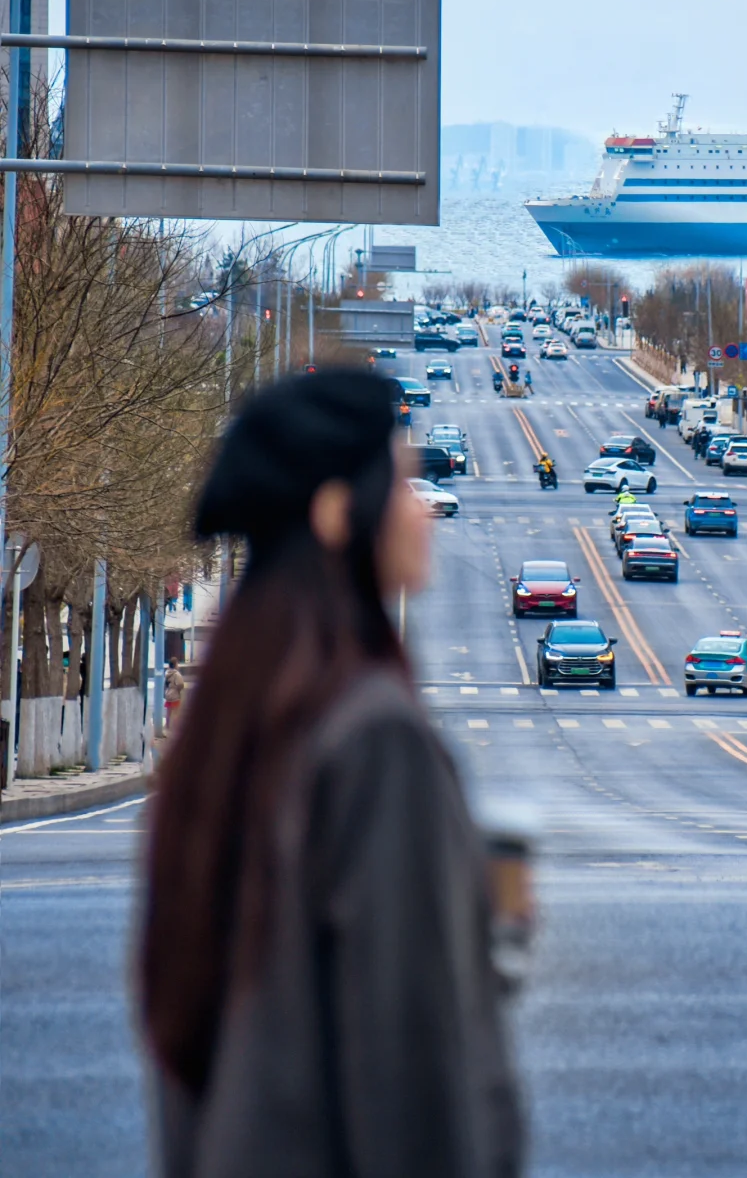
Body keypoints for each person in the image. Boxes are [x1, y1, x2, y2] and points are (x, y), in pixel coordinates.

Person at [140, 371, 523, 1178]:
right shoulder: (376, 738)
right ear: (335, 511)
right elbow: (411, 1074)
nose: (423, 508)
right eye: (405, 480)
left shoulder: (232, 723)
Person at [163, 658, 185, 730]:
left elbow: (165, 684)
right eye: (177, 664)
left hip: (168, 694)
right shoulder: (177, 674)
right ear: (175, 665)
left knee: (168, 712)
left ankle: (167, 726)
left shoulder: (167, 673)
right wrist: (178, 690)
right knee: (175, 712)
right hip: (175, 695)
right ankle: (176, 728)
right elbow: (180, 684)